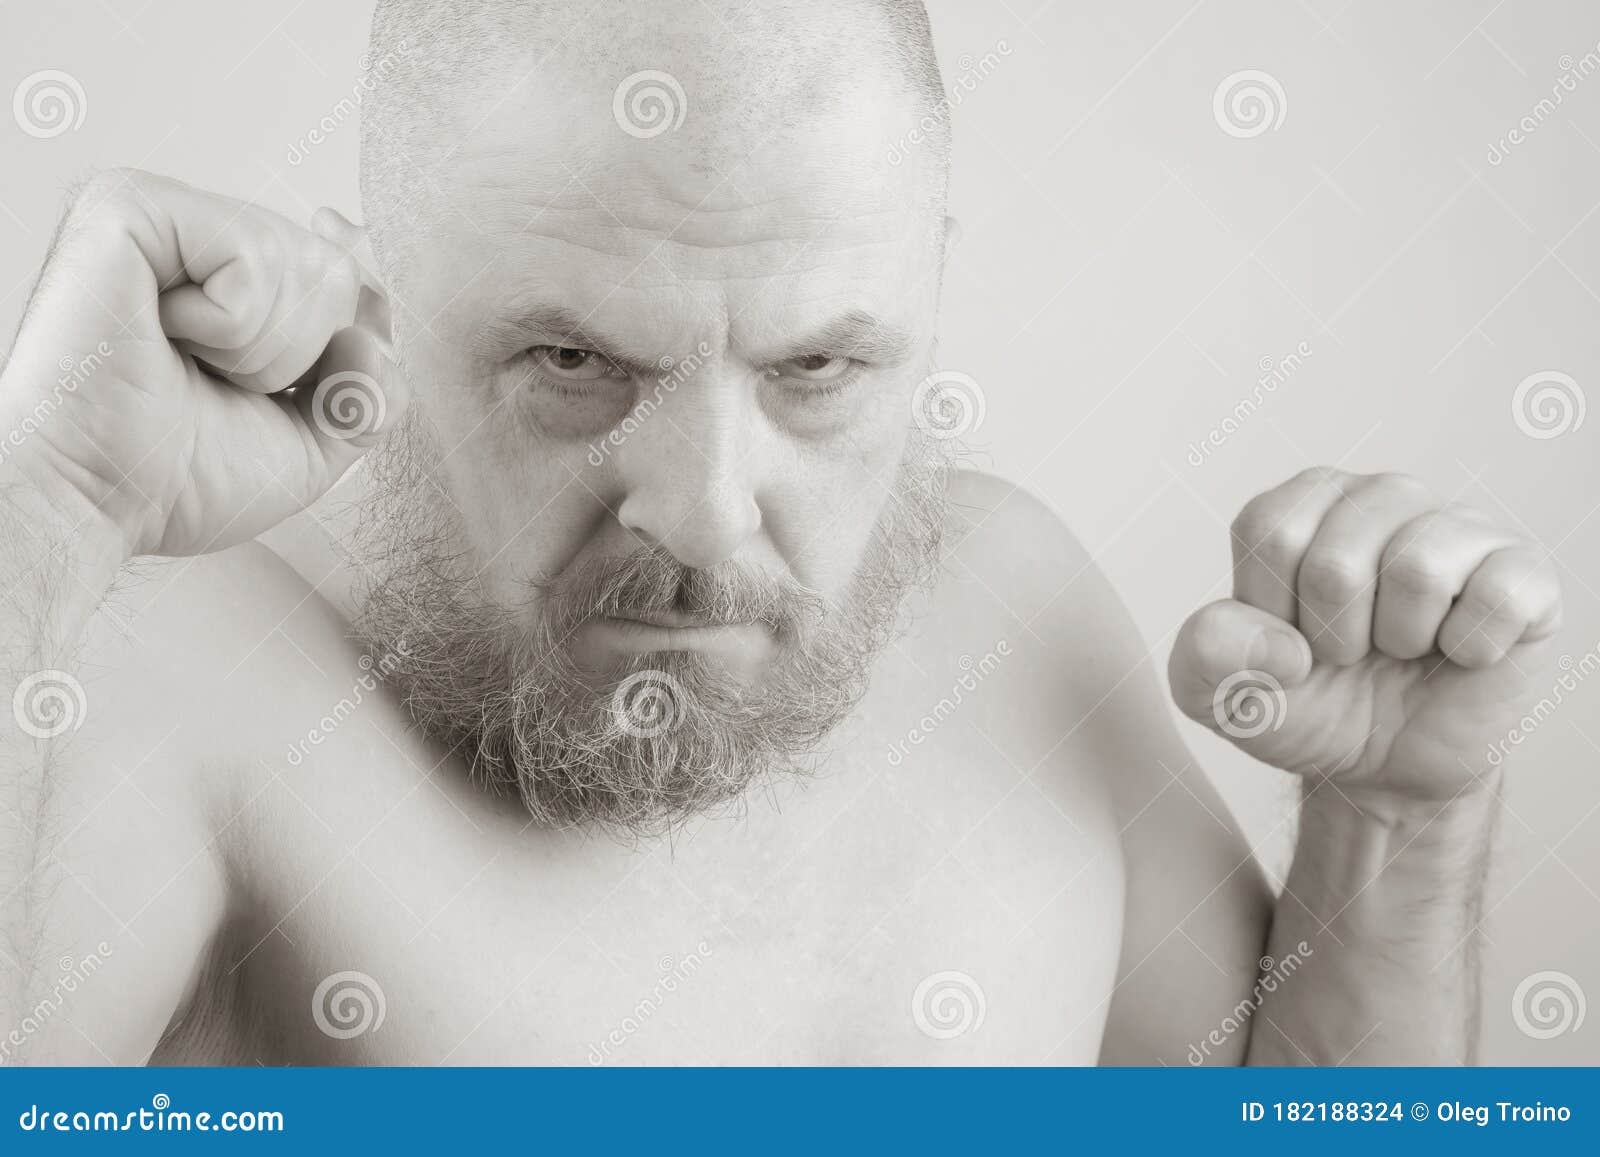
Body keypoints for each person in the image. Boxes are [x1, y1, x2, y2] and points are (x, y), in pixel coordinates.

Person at [0, 0, 1560, 1065]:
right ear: (379, 298)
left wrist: (1400, 828)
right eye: (572, 363)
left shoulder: (1007, 610)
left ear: (927, 304)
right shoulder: (164, 669)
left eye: (817, 367)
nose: (700, 507)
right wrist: (38, 515)